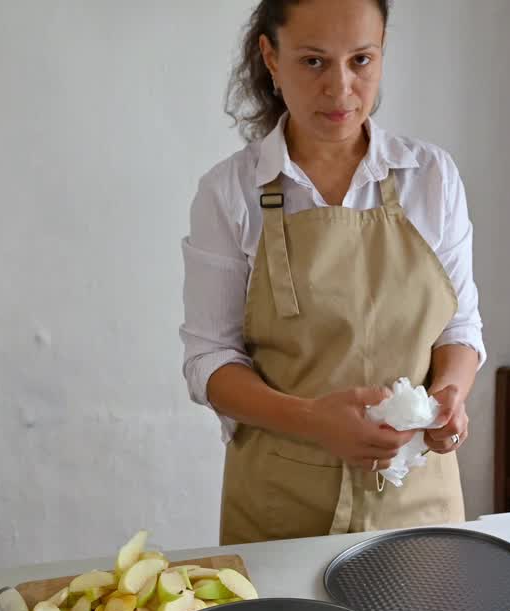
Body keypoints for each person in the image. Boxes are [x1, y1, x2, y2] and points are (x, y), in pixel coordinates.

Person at [179, 0, 486, 545]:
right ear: (271, 58)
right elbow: (210, 361)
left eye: (361, 60)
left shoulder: (431, 178)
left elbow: (459, 329)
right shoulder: (231, 193)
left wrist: (450, 395)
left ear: (383, 51)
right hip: (281, 507)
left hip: (416, 500)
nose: (341, 89)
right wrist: (313, 420)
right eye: (314, 61)